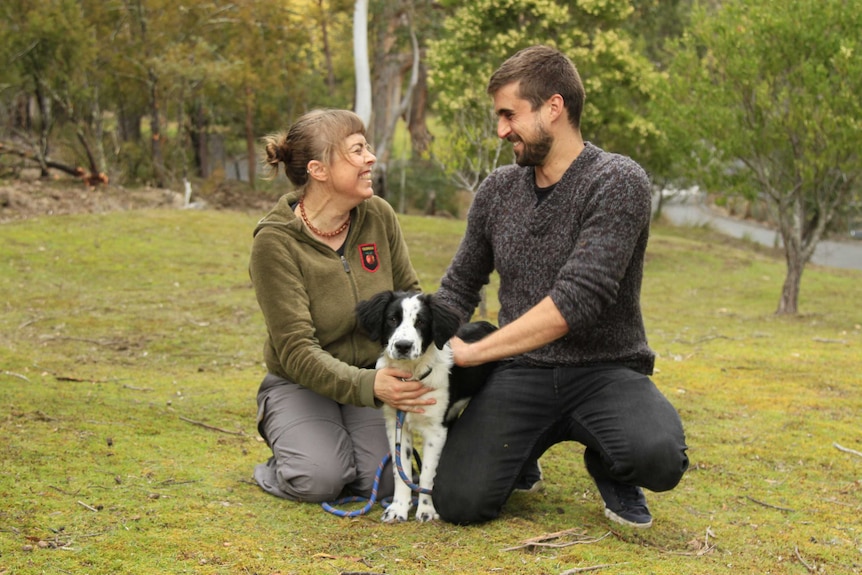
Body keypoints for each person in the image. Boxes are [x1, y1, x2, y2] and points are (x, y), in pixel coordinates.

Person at [432, 46, 689, 527]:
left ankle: (611, 462)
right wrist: (424, 341)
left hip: (605, 370)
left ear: (554, 107)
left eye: (509, 114)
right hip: (521, 372)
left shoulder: (617, 180)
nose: (501, 129)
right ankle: (521, 454)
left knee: (656, 456)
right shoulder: (497, 190)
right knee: (459, 503)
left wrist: (472, 353)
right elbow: (459, 288)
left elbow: (577, 301)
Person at [249, 109, 435, 503]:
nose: (370, 158)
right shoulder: (274, 242)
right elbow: (296, 350)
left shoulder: (379, 216)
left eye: (366, 147)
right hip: (301, 382)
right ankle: (289, 453)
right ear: (318, 170)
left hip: (374, 374)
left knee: (385, 482)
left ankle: (336, 449)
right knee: (318, 480)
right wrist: (370, 386)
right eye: (356, 151)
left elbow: (411, 298)